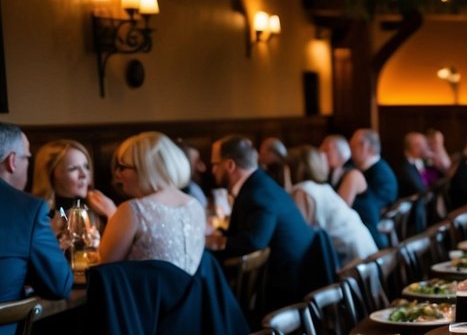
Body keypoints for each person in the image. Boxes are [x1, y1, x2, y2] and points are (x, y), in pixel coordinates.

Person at [0, 123, 73, 335]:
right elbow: (59, 286)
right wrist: (48, 250)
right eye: (28, 158)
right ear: (12, 161)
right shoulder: (27, 210)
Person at [210, 135, 325, 310]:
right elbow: (244, 232)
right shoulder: (258, 183)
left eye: (215, 164)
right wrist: (219, 235)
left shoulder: (257, 192)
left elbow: (255, 241)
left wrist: (219, 242)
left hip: (289, 288)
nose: (212, 170)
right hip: (292, 275)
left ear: (230, 165)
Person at [100, 132, 207, 275]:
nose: (117, 175)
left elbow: (105, 269)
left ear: (146, 168)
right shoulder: (195, 206)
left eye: (123, 167)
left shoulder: (134, 210)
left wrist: (111, 214)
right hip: (192, 290)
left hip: (142, 290)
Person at [288, 146, 377, 267]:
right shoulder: (323, 187)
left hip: (351, 258)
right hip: (365, 248)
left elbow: (299, 235)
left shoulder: (303, 190)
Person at [30, 140, 117, 229]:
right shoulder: (39, 216)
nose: (84, 175)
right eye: (73, 168)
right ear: (51, 174)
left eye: (86, 167)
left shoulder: (99, 209)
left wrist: (111, 212)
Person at [344, 129, 396, 249]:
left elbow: (370, 211)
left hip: (372, 237)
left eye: (354, 146)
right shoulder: (366, 169)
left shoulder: (380, 174)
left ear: (370, 148)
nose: (350, 150)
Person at [397, 131, 429, 200]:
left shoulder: (424, 162)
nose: (427, 147)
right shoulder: (405, 169)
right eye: (424, 144)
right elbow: (421, 190)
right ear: (415, 147)